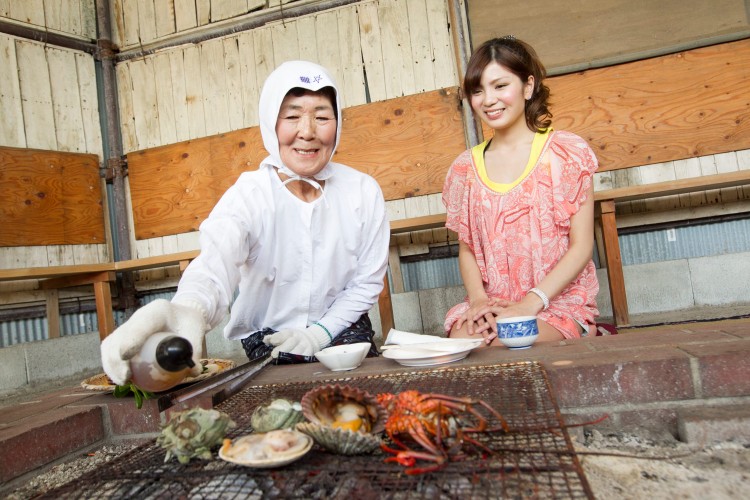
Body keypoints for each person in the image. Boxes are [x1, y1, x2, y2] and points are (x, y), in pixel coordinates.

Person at [101, 60, 390, 386]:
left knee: (366, 397)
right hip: (270, 337)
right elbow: (216, 261)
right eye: (292, 116)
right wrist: (189, 309)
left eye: (322, 117)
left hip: (342, 327)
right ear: (270, 121)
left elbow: (366, 283)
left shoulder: (362, 191)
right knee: (281, 407)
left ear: (337, 124)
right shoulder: (249, 195)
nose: (307, 132)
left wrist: (320, 333)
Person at [442, 36, 599, 346]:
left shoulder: (566, 152)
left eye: (500, 86)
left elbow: (581, 246)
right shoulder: (464, 168)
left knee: (512, 338)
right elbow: (467, 249)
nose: (488, 100)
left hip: (554, 302)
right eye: (478, 91)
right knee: (463, 342)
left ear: (528, 86)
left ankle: (581, 329)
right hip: (495, 304)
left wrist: (531, 303)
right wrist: (478, 302)